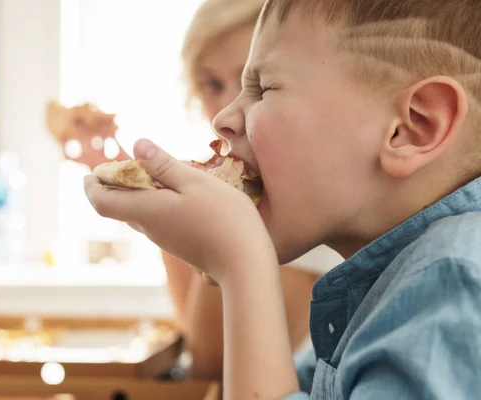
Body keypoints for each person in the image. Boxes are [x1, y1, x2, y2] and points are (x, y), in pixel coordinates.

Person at [84, 0, 481, 398]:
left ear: (412, 127)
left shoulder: (453, 284)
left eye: (265, 88)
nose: (224, 118)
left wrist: (241, 263)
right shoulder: (378, 291)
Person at [59, 0, 343, 380]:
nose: (226, 107)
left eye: (257, 83)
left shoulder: (296, 201)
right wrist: (143, 195)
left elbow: (212, 363)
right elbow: (194, 330)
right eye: (212, 83)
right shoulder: (246, 188)